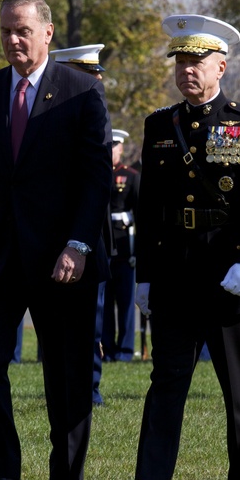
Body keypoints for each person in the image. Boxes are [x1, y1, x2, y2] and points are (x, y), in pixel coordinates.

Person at [119, 13, 240, 480]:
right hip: (175, 271)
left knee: (239, 384)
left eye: (198, 61)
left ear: (221, 66)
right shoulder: (159, 126)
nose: (188, 70)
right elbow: (150, 208)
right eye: (181, 61)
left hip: (231, 272)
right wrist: (144, 275)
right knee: (166, 381)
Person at [0, 0, 112, 480]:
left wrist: (78, 243)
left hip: (61, 261)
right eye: (4, 31)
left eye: (21, 30)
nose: (12, 40)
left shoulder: (80, 92)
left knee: (66, 378)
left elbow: (95, 180)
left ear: (47, 33)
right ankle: (4, 479)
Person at [51, 42, 110, 404]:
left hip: (90, 236)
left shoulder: (95, 108)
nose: (96, 79)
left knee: (91, 322)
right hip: (59, 232)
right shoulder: (53, 115)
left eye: (96, 73)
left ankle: (90, 387)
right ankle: (70, 386)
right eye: (88, 73)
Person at [102, 129, 140, 363]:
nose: (112, 149)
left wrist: (138, 251)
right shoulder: (98, 172)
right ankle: (106, 347)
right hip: (104, 245)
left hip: (125, 245)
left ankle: (125, 351)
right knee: (104, 302)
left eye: (116, 145)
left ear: (121, 148)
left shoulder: (131, 176)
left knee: (126, 302)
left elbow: (140, 213)